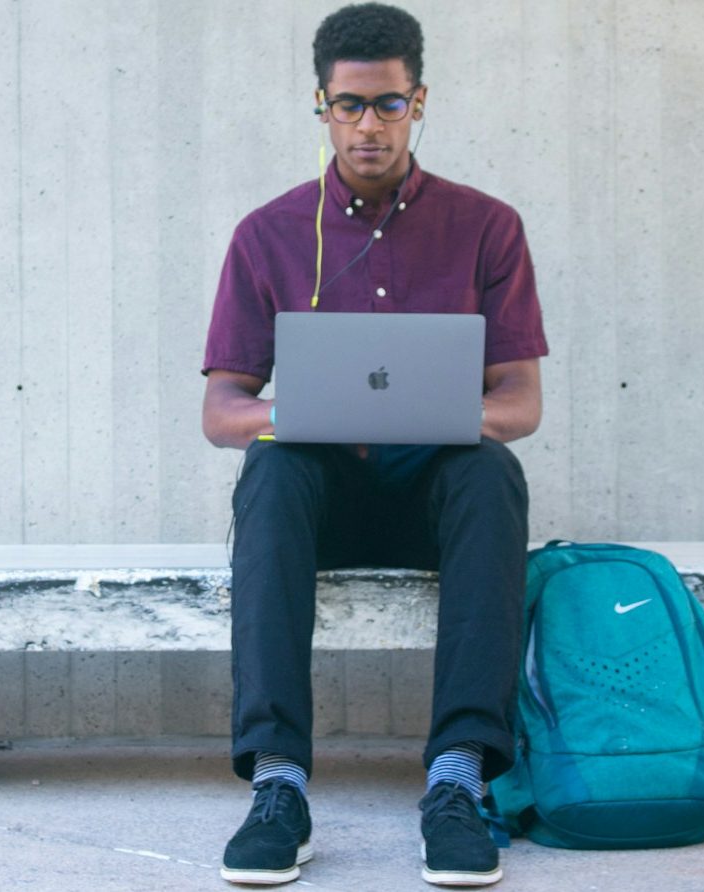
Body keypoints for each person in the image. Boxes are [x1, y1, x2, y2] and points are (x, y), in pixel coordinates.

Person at [200, 3, 548, 886]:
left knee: (490, 469)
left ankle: (457, 781)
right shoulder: (267, 234)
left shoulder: (487, 226)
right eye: (349, 106)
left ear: (418, 100)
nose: (368, 125)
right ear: (321, 105)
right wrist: (312, 415)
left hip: (436, 500)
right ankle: (278, 785)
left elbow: (519, 403)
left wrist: (431, 415)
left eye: (388, 105)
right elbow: (223, 411)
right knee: (271, 466)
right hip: (326, 505)